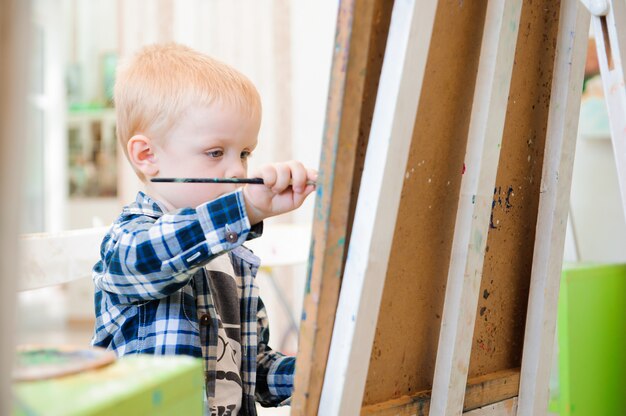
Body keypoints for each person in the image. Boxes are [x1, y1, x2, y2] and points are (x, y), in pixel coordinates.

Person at [91, 43, 317, 416]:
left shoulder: (237, 260)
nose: (237, 171)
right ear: (147, 156)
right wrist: (245, 207)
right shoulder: (128, 239)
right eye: (216, 153)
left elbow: (253, 371)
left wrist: (317, 371)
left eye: (244, 153)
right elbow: (158, 255)